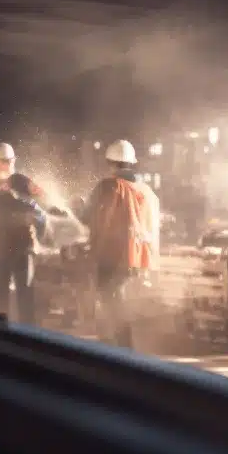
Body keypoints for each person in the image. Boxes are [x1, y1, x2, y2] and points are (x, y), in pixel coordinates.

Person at [84, 139, 161, 348]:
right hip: (137, 259)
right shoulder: (147, 192)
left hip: (112, 256)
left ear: (110, 163)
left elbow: (89, 215)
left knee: (111, 305)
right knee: (119, 303)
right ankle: (120, 347)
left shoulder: (109, 186)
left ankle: (121, 351)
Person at [0, 173, 49, 324]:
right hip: (19, 254)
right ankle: (26, 336)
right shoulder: (27, 204)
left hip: (0, 255)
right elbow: (41, 221)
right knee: (24, 298)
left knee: (0, 300)